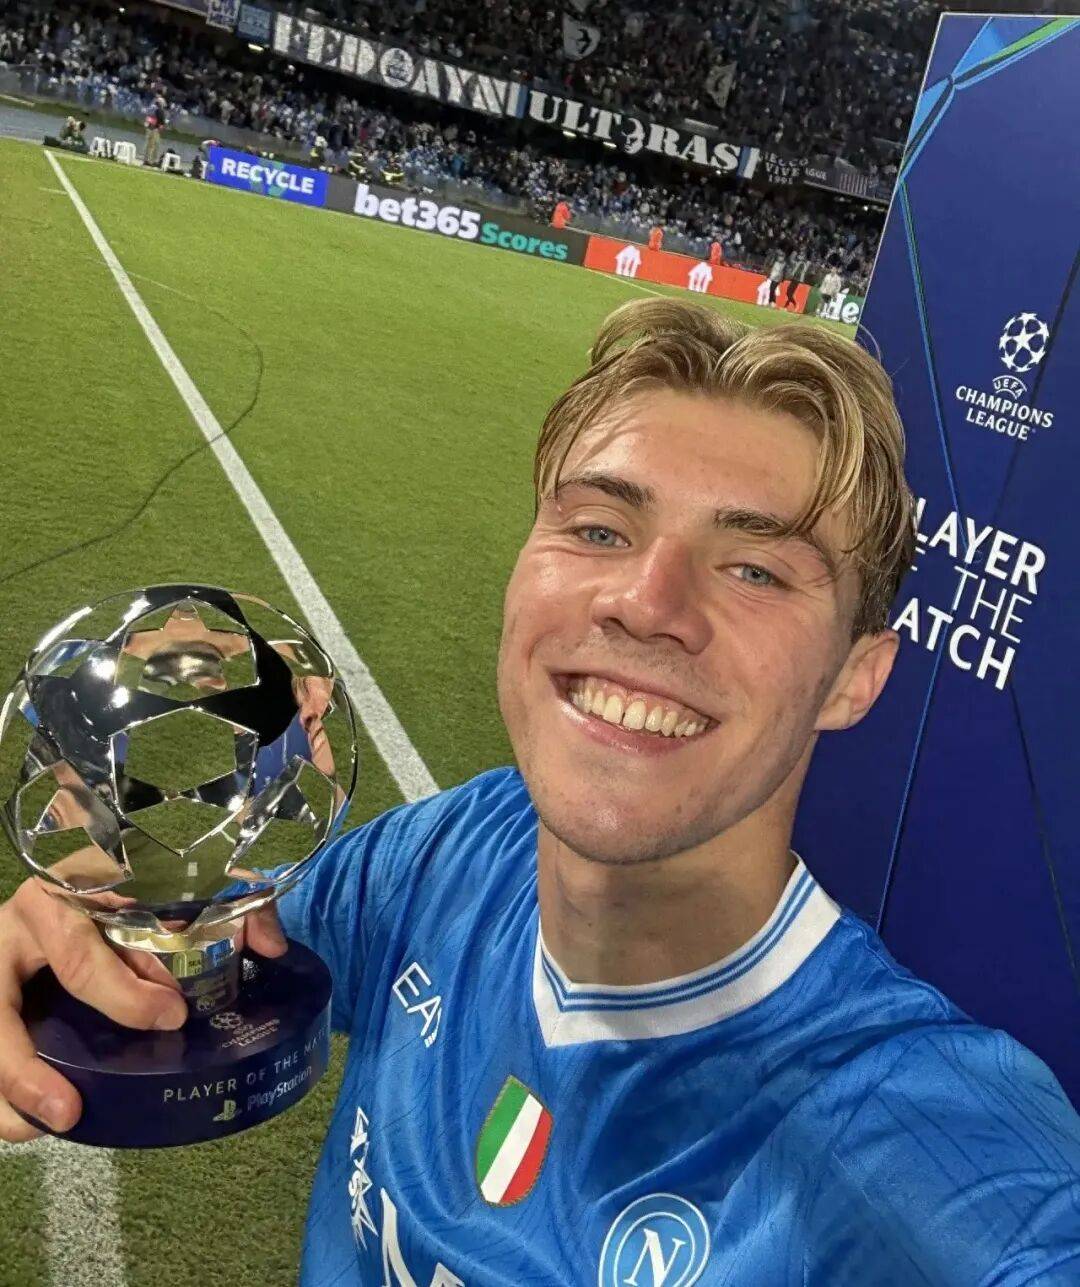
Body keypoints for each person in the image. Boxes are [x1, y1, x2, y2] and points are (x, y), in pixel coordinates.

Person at [2, 299, 1080, 1285]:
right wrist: (72, 936)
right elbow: (197, 947)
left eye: (755, 569)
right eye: (600, 528)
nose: (646, 602)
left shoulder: (934, 1150)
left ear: (855, 678)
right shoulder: (450, 849)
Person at [142, 95, 166, 167]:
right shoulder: (159, 110)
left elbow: (147, 118)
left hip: (149, 128)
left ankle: (146, 159)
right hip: (154, 129)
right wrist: (161, 126)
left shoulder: (151, 108)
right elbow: (161, 121)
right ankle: (151, 161)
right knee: (154, 145)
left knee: (148, 145)